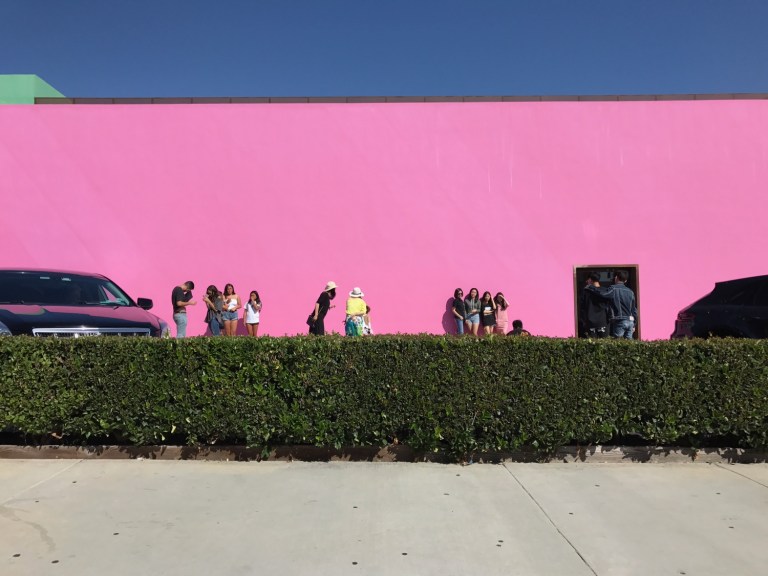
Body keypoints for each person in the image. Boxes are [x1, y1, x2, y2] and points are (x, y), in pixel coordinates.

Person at [587, 270, 638, 339]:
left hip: (619, 320)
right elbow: (634, 310)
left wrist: (591, 287)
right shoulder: (630, 292)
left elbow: (603, 294)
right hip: (630, 321)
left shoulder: (613, 289)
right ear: (625, 281)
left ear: (616, 277)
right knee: (629, 345)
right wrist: (634, 324)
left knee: (618, 343)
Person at [579, 273, 610, 338]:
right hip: (603, 321)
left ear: (590, 280)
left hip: (590, 322)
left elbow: (582, 308)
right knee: (605, 344)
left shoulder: (585, 292)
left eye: (588, 279)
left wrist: (583, 321)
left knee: (591, 345)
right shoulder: (605, 291)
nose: (586, 281)